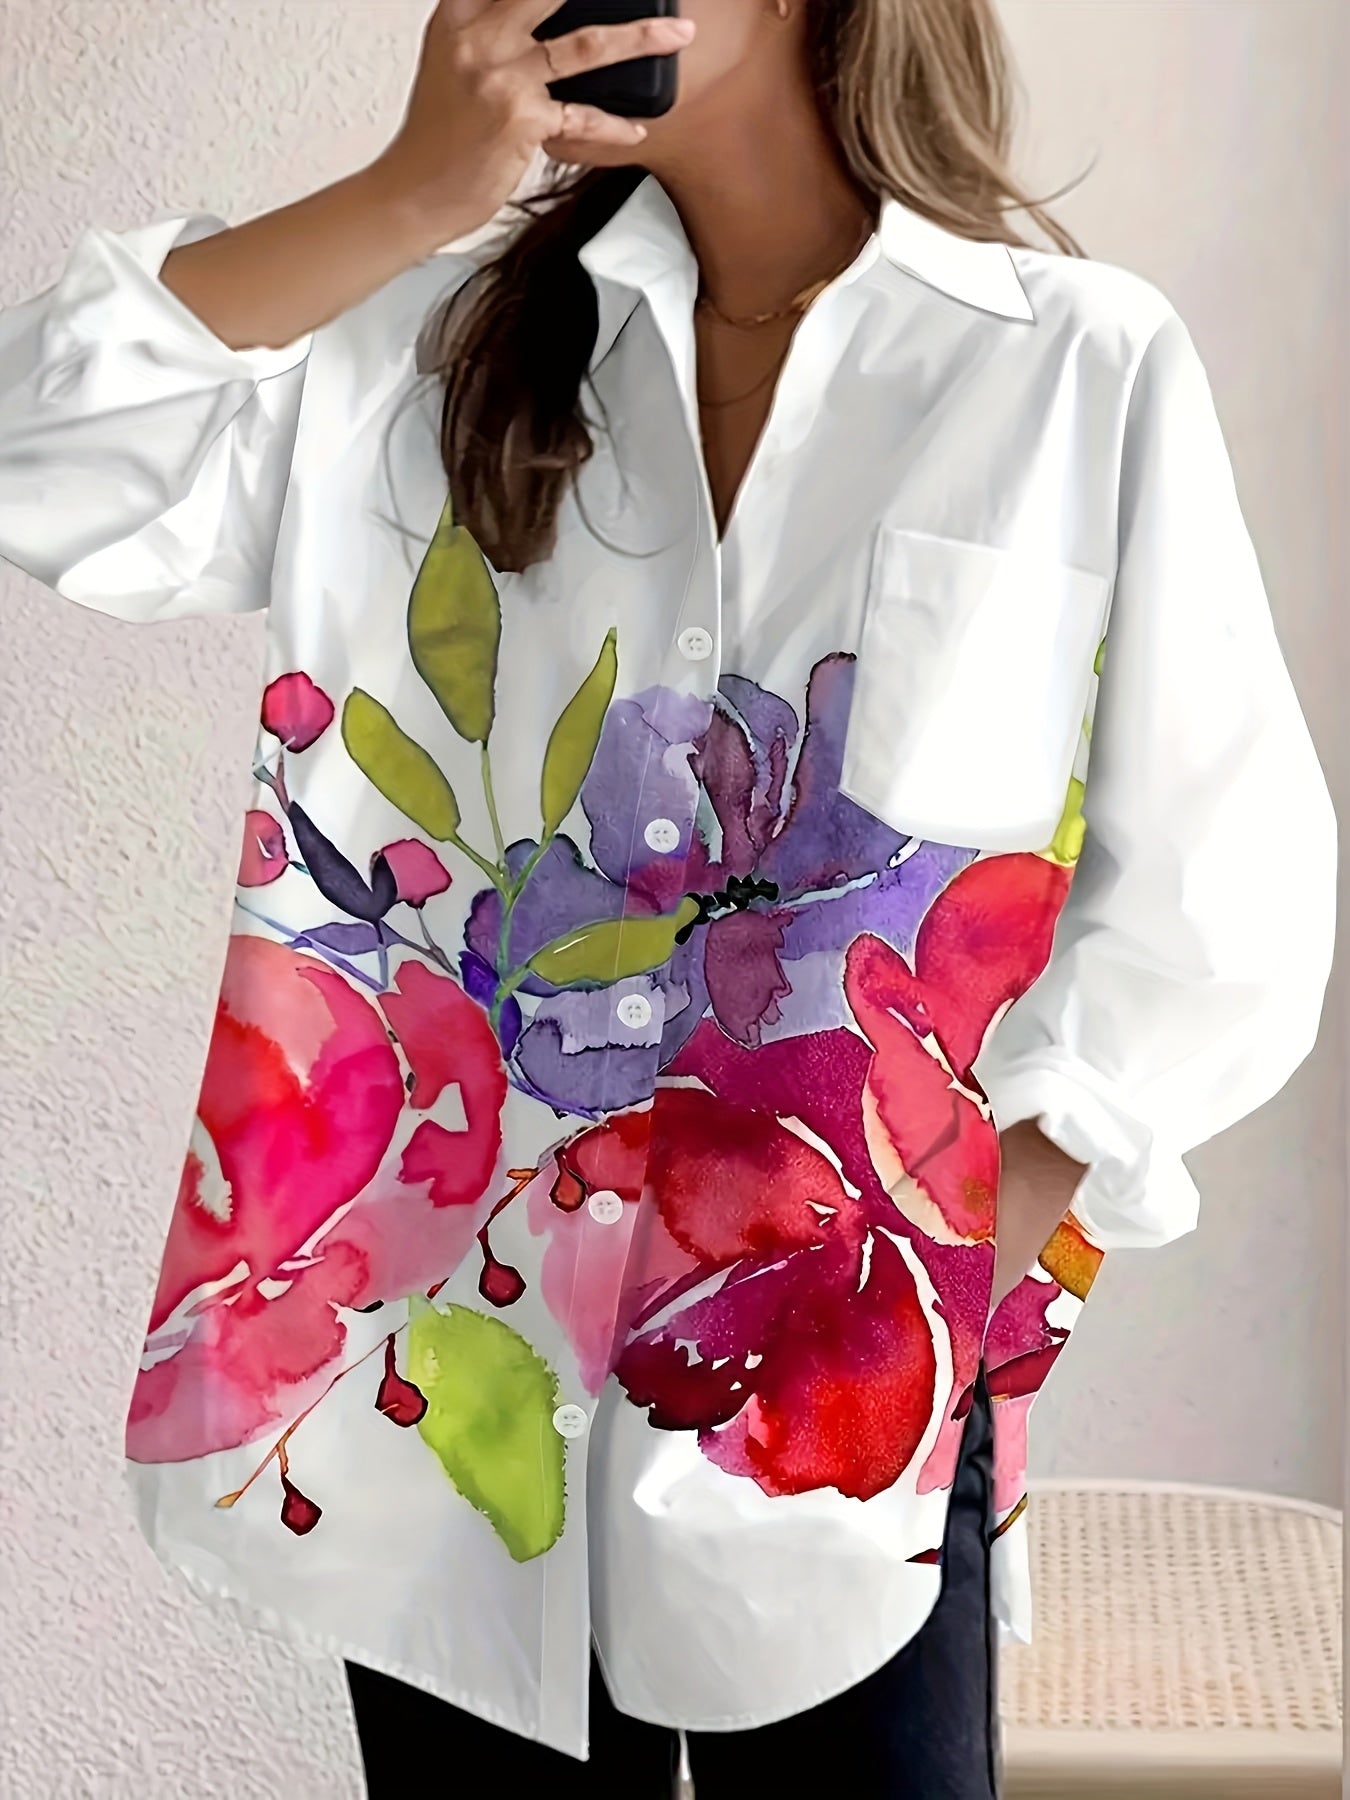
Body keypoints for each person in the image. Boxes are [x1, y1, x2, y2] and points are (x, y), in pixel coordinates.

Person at [0, 0, 1335, 1794]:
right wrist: (408, 190)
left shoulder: (1065, 370)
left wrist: (956, 1264)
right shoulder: (438, 354)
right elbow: (43, 450)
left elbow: (1222, 887)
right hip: (458, 1410)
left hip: (844, 1427)